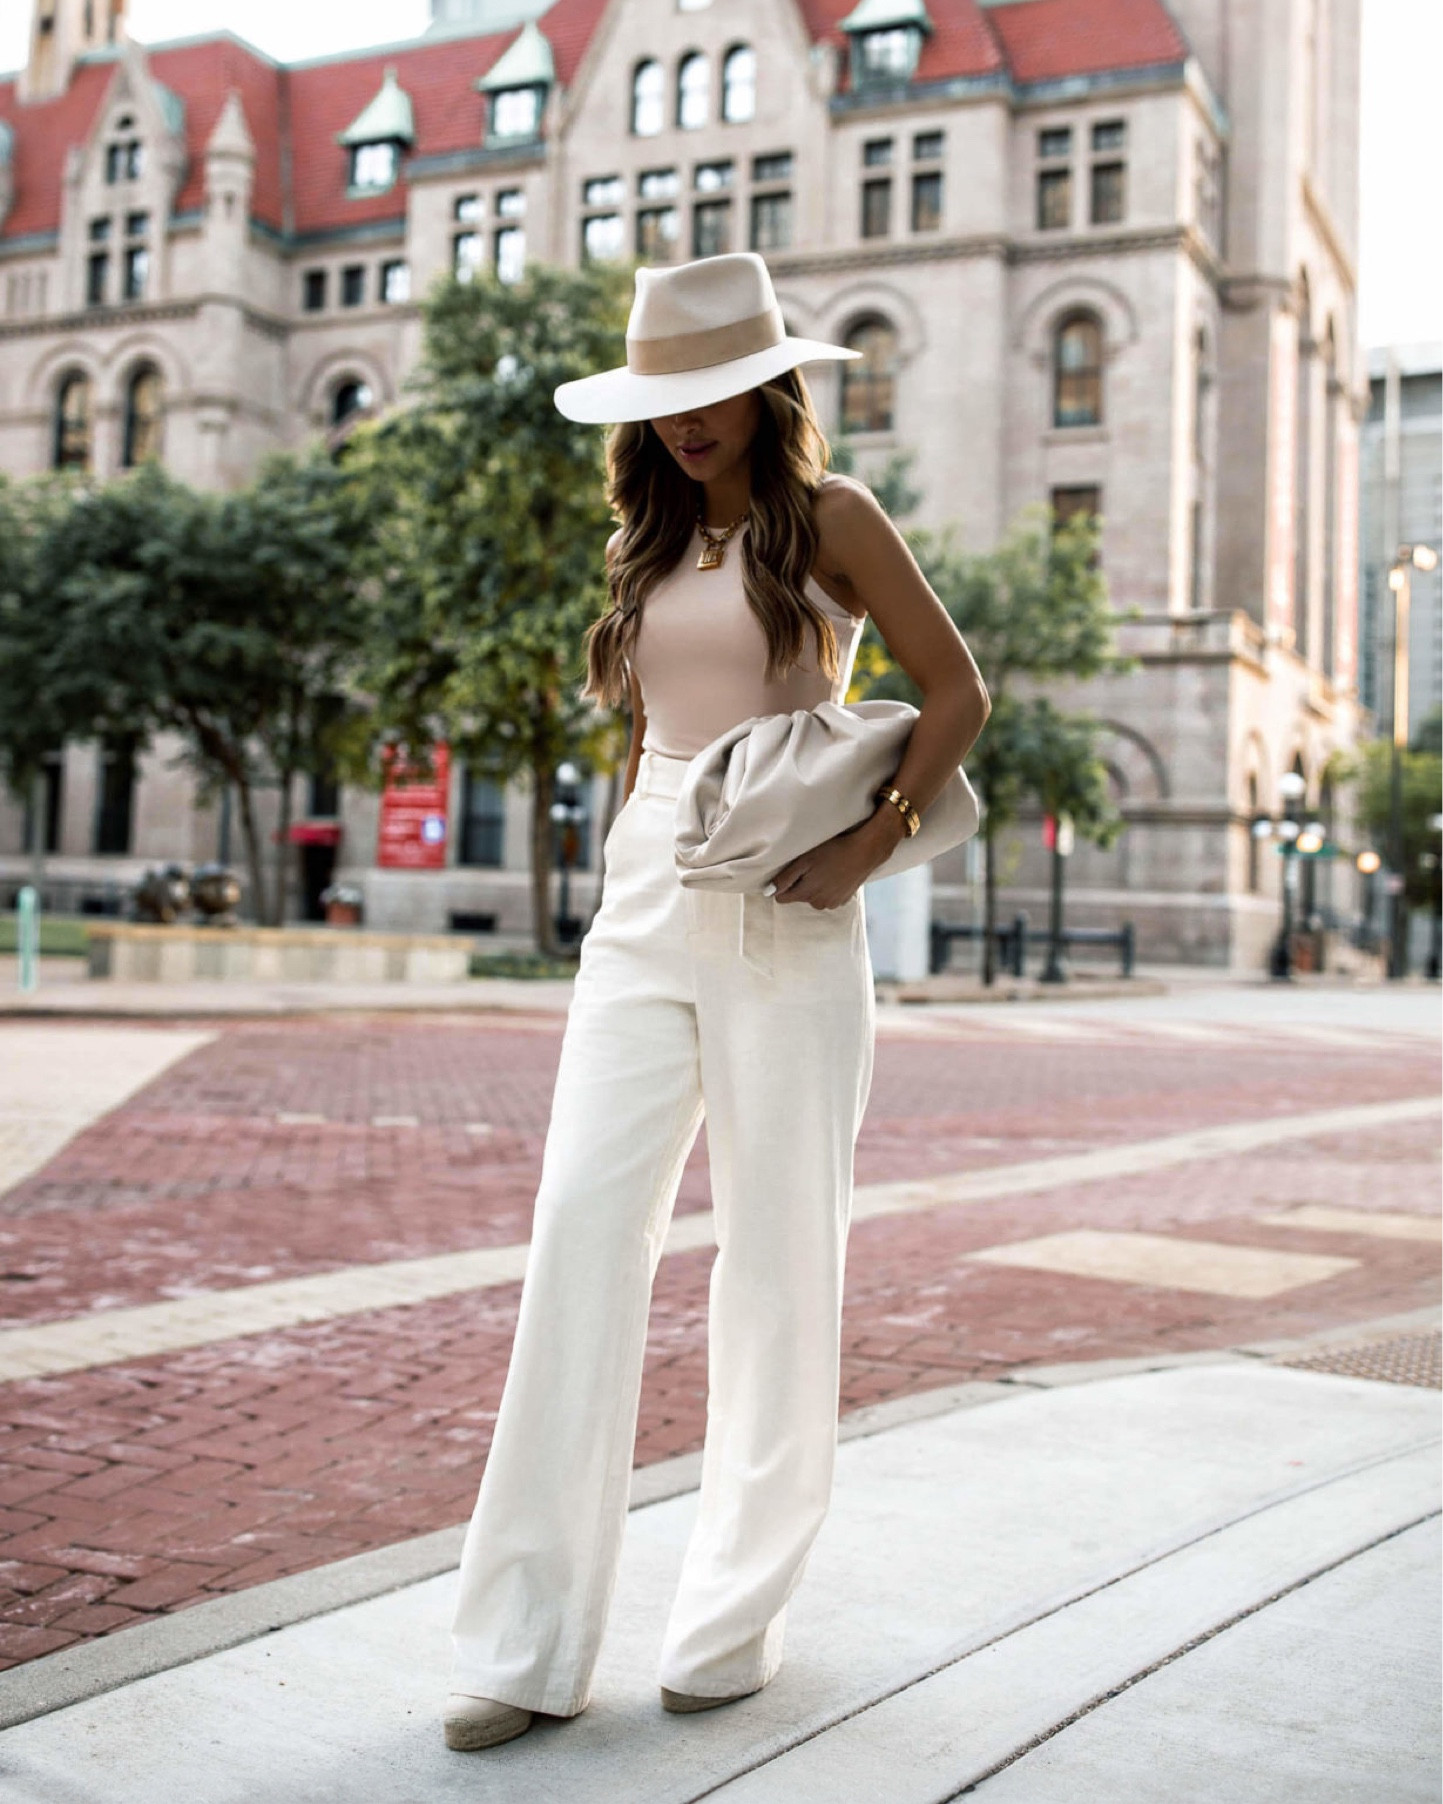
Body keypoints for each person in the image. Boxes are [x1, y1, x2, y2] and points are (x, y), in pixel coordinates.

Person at [445, 252, 990, 1752]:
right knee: (579, 1229)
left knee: (774, 1259)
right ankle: (525, 1637)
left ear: (764, 386)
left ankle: (731, 1616)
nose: (685, 423)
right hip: (645, 887)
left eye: (709, 394)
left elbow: (957, 692)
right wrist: (639, 863)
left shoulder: (834, 523)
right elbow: (654, 737)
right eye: (661, 399)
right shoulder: (644, 537)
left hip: (785, 907)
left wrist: (871, 848)